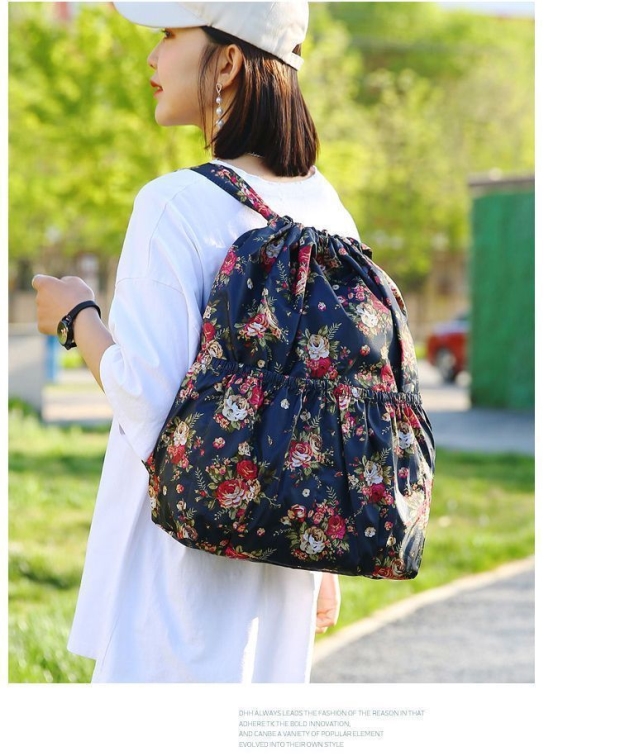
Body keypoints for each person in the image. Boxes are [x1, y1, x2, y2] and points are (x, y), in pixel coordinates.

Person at [32, 1, 355, 683]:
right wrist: (324, 565)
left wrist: (75, 316)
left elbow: (147, 401)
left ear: (228, 61)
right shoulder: (331, 211)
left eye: (170, 35)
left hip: (177, 577)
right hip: (284, 578)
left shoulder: (175, 204)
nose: (153, 57)